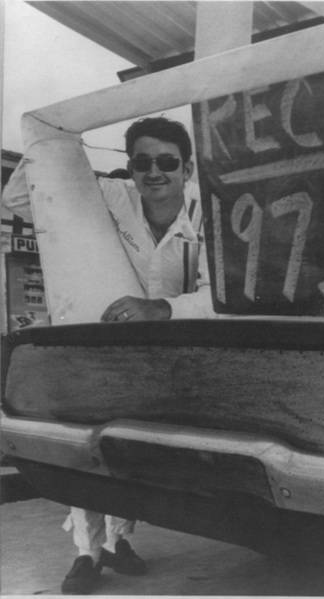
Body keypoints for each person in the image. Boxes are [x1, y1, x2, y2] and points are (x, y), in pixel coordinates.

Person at [2, 117, 215, 593]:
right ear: (130, 167)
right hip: (103, 349)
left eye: (166, 162)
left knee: (132, 448)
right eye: (141, 162)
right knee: (86, 442)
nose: (153, 173)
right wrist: (50, 142)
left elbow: (220, 293)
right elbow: (19, 200)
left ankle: (119, 539)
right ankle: (87, 551)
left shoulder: (210, 212)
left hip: (178, 350)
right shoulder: (115, 196)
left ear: (187, 167)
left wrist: (161, 308)